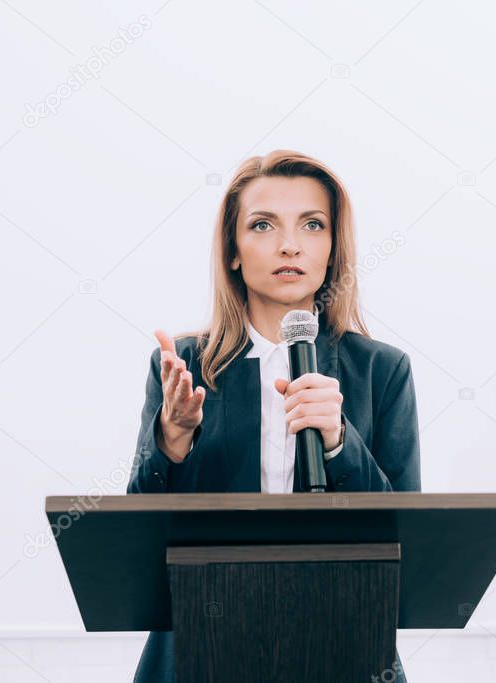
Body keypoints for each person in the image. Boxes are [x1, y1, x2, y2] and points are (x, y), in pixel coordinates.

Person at [128, 149, 419, 682]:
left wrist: (338, 441)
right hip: (203, 648)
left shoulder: (381, 370)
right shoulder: (183, 366)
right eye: (263, 225)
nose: (290, 244)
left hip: (343, 647)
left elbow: (406, 542)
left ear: (332, 249)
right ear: (233, 251)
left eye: (313, 224)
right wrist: (172, 440)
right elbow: (136, 547)